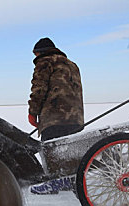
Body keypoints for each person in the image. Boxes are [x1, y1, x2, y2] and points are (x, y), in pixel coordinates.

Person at [27, 37, 84, 194]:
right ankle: (71, 181)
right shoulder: (73, 65)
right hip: (75, 117)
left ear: (40, 52)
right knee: (70, 150)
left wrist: (33, 113)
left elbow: (39, 89)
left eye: (35, 54)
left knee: (50, 148)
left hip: (55, 116)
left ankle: (54, 182)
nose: (35, 57)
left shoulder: (45, 62)